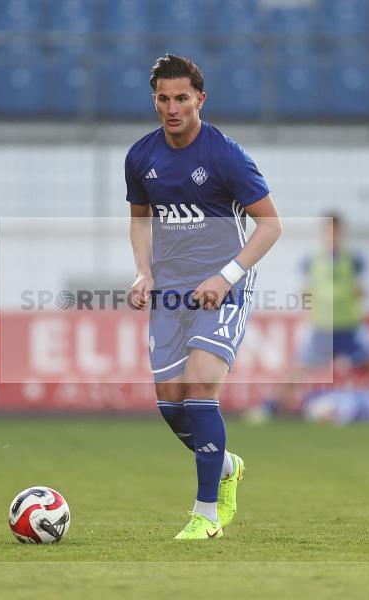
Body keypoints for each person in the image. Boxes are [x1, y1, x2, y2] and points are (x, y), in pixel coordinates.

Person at [125, 55, 282, 540]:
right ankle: (227, 464)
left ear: (200, 100)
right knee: (171, 405)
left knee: (199, 390)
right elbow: (140, 218)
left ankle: (206, 516)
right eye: (163, 99)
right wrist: (143, 273)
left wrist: (226, 276)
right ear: (155, 100)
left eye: (182, 99)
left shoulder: (225, 155)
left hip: (224, 287)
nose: (172, 108)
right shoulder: (140, 157)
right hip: (171, 290)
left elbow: (271, 225)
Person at [251, 213, 369, 421]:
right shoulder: (312, 259)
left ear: (341, 232)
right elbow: (304, 290)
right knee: (299, 369)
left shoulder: (353, 258)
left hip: (349, 325)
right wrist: (313, 310)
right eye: (328, 230)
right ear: (323, 233)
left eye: (335, 230)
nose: (332, 234)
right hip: (322, 327)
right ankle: (271, 408)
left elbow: (363, 289)